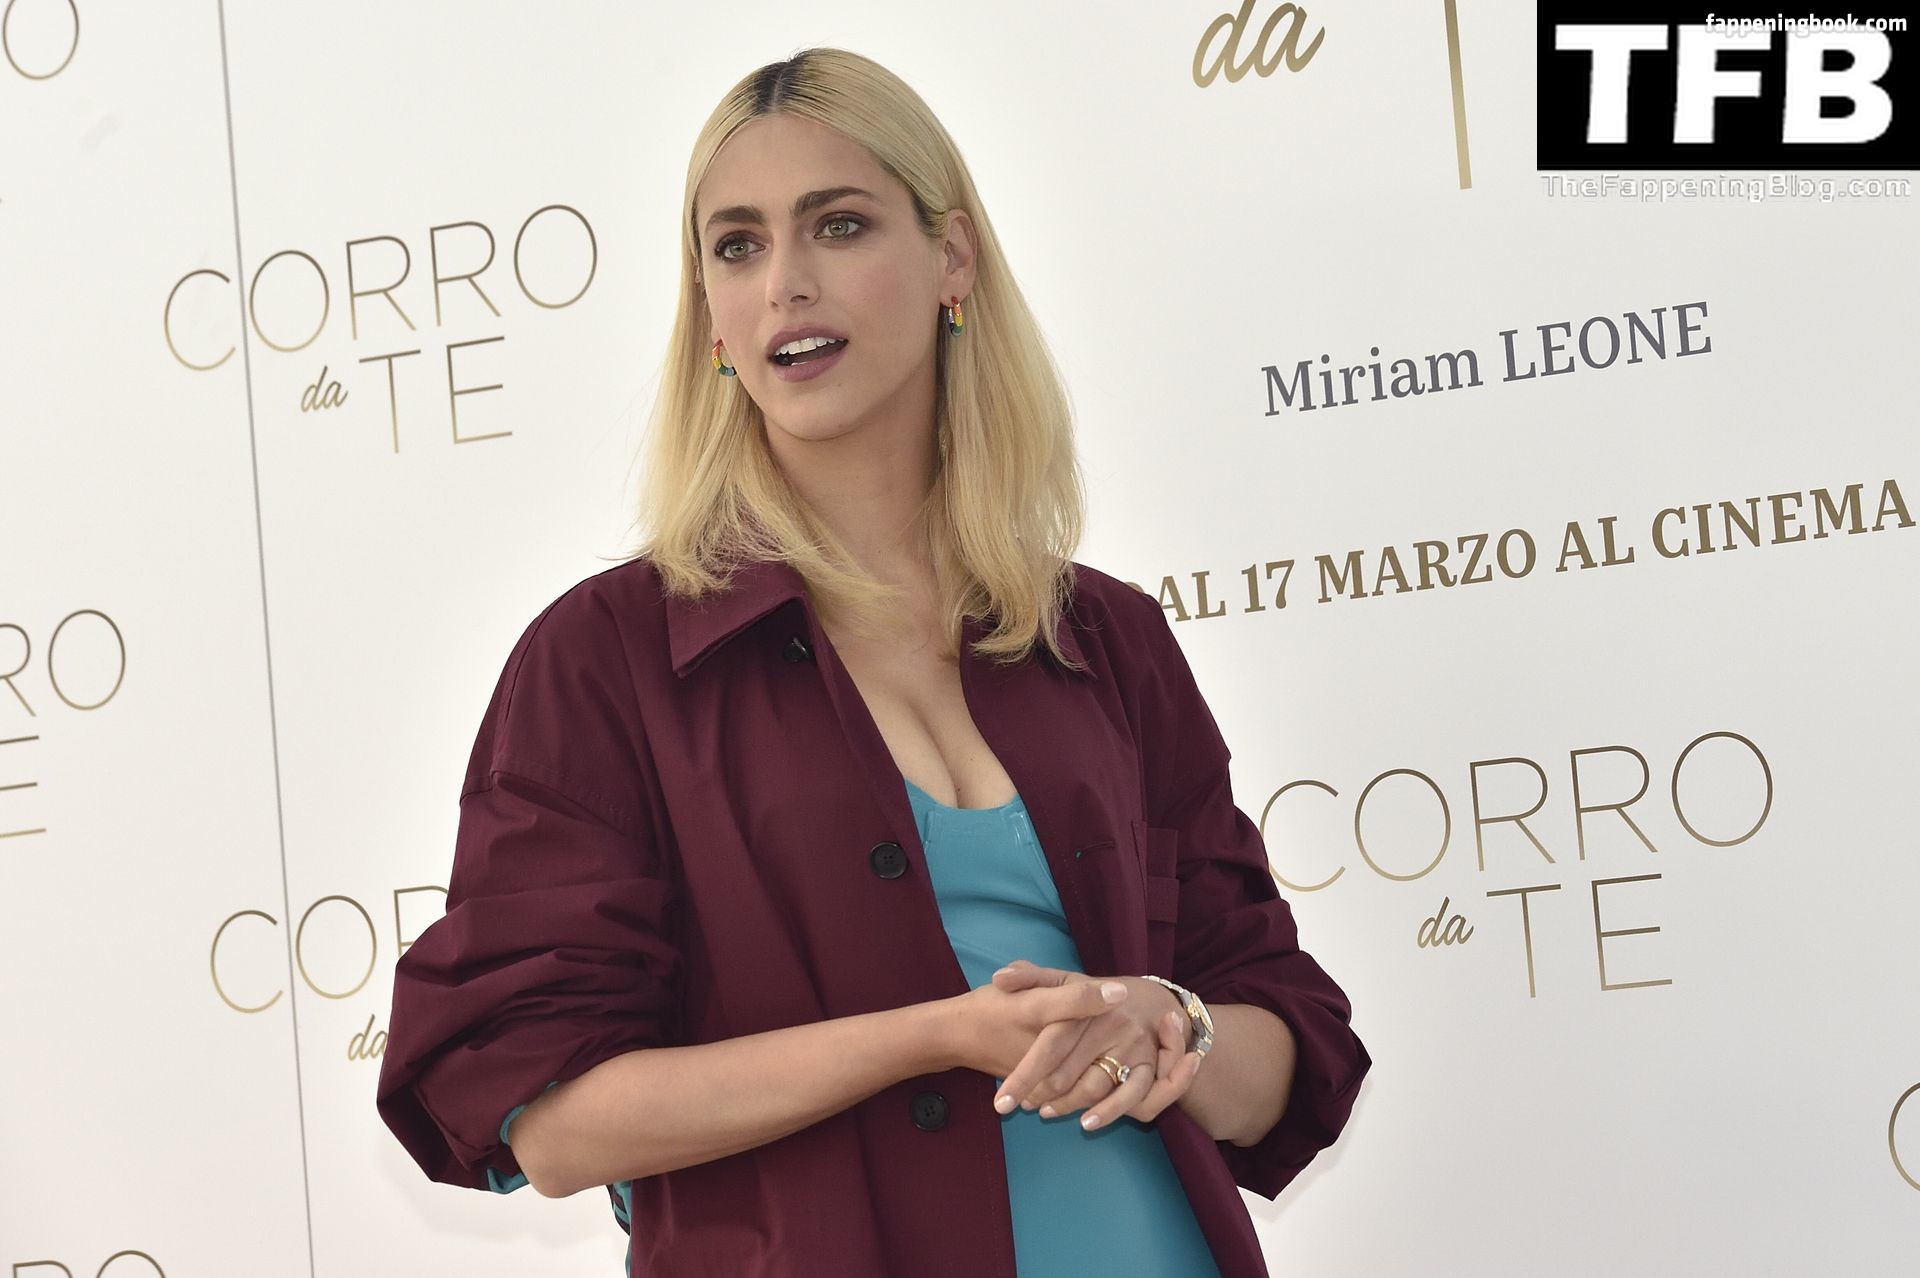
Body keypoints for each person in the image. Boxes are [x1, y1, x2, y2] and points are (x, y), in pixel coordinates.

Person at [375, 45, 1369, 1278]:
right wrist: (929, 1037)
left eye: (837, 226)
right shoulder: (605, 661)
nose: (785, 283)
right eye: (738, 246)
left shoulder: (1108, 638)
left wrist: (1172, 1024)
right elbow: (556, 1121)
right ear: (710, 313)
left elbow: (1285, 1050)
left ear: (953, 259)